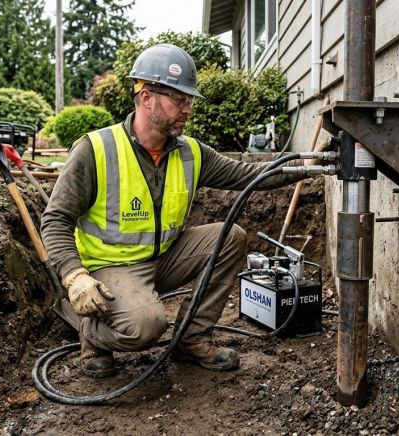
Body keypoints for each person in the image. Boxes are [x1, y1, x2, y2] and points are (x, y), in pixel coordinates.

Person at [41, 43, 306, 378]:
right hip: (110, 268)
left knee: (230, 237)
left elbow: (250, 176)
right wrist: (75, 276)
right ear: (146, 97)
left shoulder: (191, 153)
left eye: (189, 100)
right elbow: (55, 219)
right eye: (179, 99)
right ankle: (91, 334)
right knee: (147, 325)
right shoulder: (96, 149)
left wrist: (310, 165)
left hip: (164, 257)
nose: (188, 109)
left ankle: (191, 339)